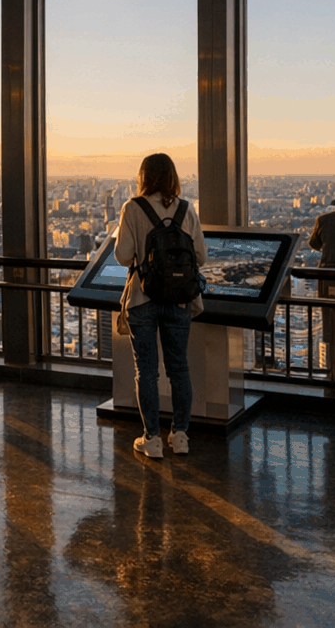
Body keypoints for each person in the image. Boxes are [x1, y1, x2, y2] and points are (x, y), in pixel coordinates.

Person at [114, 153, 206, 459]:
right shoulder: (186, 208)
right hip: (179, 299)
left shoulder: (132, 207)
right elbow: (201, 257)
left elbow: (124, 256)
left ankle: (151, 438)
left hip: (143, 298)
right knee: (179, 368)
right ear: (172, 177)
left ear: (143, 177)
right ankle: (180, 436)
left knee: (147, 372)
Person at [308, 189, 335, 380]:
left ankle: (333, 374)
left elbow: (314, 244)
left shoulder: (324, 220)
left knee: (332, 329)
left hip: (330, 278)